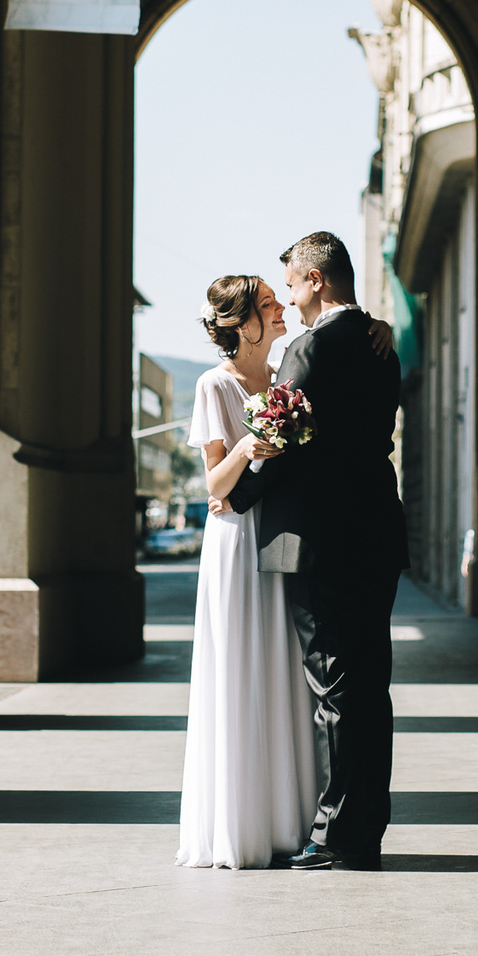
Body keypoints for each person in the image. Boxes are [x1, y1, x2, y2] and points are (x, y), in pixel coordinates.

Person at [225, 232, 410, 871]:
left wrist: (234, 496)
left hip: (322, 542)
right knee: (371, 684)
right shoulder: (380, 344)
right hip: (377, 532)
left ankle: (338, 835)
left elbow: (280, 439)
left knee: (334, 685)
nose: (291, 300)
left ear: (316, 281)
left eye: (294, 286)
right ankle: (367, 826)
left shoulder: (309, 349)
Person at [176, 274, 317, 868]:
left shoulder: (288, 370)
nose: (281, 305)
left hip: (282, 532)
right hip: (235, 540)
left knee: (283, 665)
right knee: (239, 666)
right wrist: (246, 447)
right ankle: (241, 825)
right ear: (240, 324)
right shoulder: (214, 385)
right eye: (267, 303)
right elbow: (213, 485)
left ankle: (289, 819)